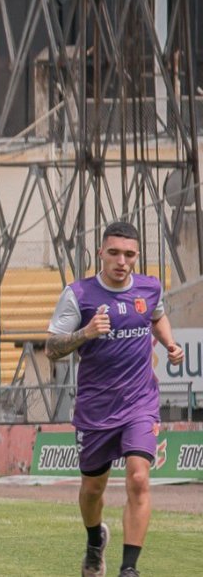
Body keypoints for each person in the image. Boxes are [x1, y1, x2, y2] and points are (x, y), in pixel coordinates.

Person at [45, 221, 185, 577]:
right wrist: (86, 332)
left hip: (140, 401)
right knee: (92, 488)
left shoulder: (150, 288)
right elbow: (51, 349)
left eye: (129, 254)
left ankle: (129, 568)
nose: (122, 261)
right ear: (100, 254)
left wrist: (169, 343)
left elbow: (157, 315)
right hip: (95, 407)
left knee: (139, 478)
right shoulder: (79, 295)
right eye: (114, 253)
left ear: (136, 256)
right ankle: (95, 541)